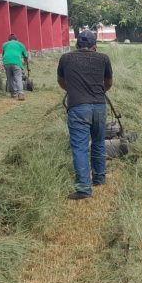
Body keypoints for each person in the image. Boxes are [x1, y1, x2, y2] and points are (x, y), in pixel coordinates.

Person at [57, 30, 113, 200]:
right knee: (98, 143)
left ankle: (83, 188)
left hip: (78, 108)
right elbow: (108, 83)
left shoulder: (65, 58)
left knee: (80, 148)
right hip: (99, 107)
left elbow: (61, 80)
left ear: (76, 45)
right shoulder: (103, 58)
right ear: (94, 46)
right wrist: (98, 92)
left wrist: (75, 90)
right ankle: (99, 178)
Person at [2, 34, 29, 101]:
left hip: (6, 62)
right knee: (18, 77)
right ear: (16, 39)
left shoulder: (5, 44)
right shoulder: (20, 44)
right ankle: (20, 93)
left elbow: (3, 54)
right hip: (16, 62)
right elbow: (25, 56)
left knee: (10, 78)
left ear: (9, 40)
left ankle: (13, 94)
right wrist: (26, 63)